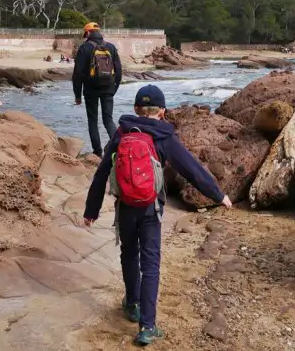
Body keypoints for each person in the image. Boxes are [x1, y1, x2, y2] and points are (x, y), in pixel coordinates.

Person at [83, 85, 232, 346]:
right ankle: (147, 327)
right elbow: (192, 169)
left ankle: (132, 304)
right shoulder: (165, 135)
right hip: (151, 208)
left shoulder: (122, 131)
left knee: (129, 253)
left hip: (125, 207)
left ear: (135, 109)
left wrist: (91, 210)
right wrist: (219, 195)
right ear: (162, 111)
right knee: (150, 263)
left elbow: (102, 172)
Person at [72, 22, 123, 157]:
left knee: (92, 120)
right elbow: (118, 71)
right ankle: (118, 148)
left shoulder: (84, 48)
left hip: (90, 90)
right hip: (108, 89)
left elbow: (77, 73)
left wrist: (77, 95)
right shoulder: (111, 47)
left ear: (88, 33)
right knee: (108, 119)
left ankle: (97, 152)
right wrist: (114, 88)